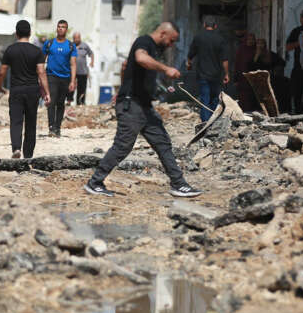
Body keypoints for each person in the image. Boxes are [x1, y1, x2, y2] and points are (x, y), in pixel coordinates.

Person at [85, 21, 201, 198]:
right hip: (132, 105)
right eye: (171, 40)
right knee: (123, 146)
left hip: (145, 106)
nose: (172, 45)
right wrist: (166, 69)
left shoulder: (155, 49)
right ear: (163, 33)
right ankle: (95, 182)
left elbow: (128, 66)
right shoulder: (144, 42)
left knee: (163, 143)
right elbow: (140, 58)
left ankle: (179, 184)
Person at [0, 19, 50, 159]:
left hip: (16, 90)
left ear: (17, 33)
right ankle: (28, 156)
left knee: (16, 121)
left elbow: (2, 72)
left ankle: (16, 148)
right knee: (31, 123)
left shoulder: (10, 50)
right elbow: (41, 72)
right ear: (30, 33)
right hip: (33, 91)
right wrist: (47, 92)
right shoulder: (37, 51)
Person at [185, 15, 229, 123]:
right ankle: (214, 121)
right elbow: (225, 59)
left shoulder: (198, 38)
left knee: (205, 98)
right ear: (215, 26)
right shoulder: (220, 39)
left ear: (204, 25)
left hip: (202, 74)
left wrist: (189, 64)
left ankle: (205, 122)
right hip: (216, 75)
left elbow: (191, 54)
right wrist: (227, 74)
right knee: (215, 98)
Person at [41, 19, 77, 137]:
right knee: (51, 102)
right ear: (57, 28)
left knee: (61, 103)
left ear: (66, 30)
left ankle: (57, 128)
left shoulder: (71, 46)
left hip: (65, 78)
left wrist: (72, 81)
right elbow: (41, 60)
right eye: (59, 26)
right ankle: (51, 127)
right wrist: (40, 76)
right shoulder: (49, 43)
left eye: (63, 27)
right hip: (51, 76)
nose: (60, 28)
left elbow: (73, 64)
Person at [285, 10, 303, 113]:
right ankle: (296, 111)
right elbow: (288, 47)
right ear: (301, 20)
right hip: (298, 66)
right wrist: (301, 41)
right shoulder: (296, 31)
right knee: (296, 91)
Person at [249, 38, 288, 113]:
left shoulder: (269, 54)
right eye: (258, 44)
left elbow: (282, 62)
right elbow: (251, 67)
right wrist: (256, 56)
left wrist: (276, 70)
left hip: (269, 78)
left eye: (262, 44)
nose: (260, 46)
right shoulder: (253, 54)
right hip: (257, 79)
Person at [233, 32, 258, 112]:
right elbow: (237, 64)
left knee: (253, 96)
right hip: (242, 77)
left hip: (254, 77)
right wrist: (235, 79)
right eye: (249, 39)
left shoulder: (257, 49)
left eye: (252, 39)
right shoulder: (241, 50)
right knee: (243, 97)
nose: (251, 41)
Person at [70, 32, 94, 105]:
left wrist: (92, 62)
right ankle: (69, 101)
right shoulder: (70, 45)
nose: (77, 39)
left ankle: (80, 102)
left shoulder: (85, 45)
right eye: (75, 38)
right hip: (71, 71)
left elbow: (91, 53)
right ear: (73, 38)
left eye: (78, 38)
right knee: (71, 87)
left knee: (82, 88)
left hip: (83, 71)